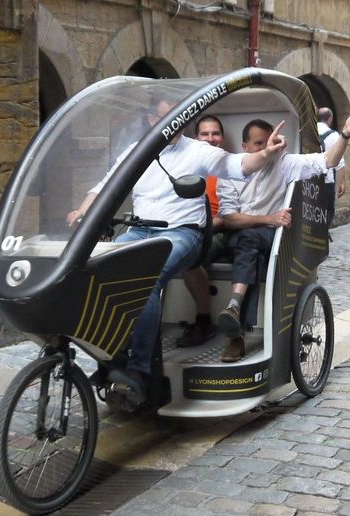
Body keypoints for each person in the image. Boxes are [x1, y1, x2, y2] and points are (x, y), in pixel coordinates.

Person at [67, 95, 287, 410]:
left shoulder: (198, 151)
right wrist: (81, 211)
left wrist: (265, 153)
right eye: (164, 117)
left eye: (178, 117)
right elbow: (104, 187)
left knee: (146, 276)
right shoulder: (137, 153)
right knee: (98, 270)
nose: (173, 123)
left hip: (184, 233)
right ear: (150, 121)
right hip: (140, 230)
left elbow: (239, 165)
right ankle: (112, 359)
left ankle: (139, 372)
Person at [216, 111, 350, 362]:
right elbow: (230, 219)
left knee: (252, 242)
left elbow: (328, 161)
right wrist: (268, 218)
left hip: (272, 237)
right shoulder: (231, 169)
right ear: (245, 146)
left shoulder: (285, 162)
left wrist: (344, 135)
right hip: (243, 236)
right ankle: (236, 325)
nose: (269, 147)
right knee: (250, 247)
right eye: (260, 143)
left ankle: (235, 315)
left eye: (272, 141)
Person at [176, 115, 235, 347]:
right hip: (185, 225)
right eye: (204, 134)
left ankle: (203, 321)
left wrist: (203, 225)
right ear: (196, 137)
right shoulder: (187, 165)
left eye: (215, 133)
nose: (210, 139)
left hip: (217, 229)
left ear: (221, 137)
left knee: (190, 256)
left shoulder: (229, 166)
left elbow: (228, 215)